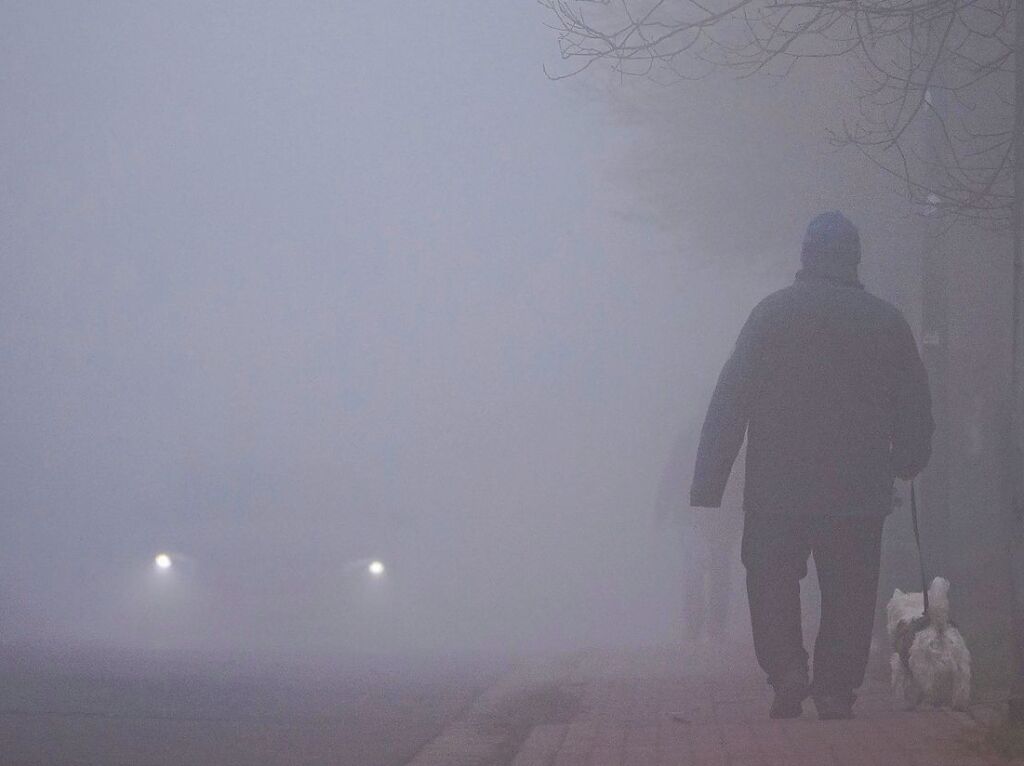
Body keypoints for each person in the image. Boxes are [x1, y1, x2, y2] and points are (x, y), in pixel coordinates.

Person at [689, 211, 934, 720]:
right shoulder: (885, 321)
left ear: (804, 258)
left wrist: (709, 482)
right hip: (857, 488)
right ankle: (835, 689)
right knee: (850, 588)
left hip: (777, 487)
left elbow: (731, 398)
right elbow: (913, 400)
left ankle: (786, 670)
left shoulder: (770, 316)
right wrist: (909, 458)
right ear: (855, 258)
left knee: (771, 579)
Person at [656, 427, 744, 643]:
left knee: (701, 572)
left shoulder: (689, 438)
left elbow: (671, 475)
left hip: (703, 515)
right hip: (712, 515)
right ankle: (712, 628)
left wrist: (662, 509)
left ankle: (700, 628)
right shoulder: (727, 436)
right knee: (715, 572)